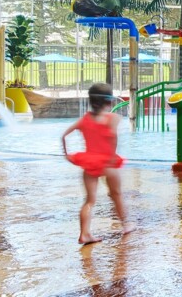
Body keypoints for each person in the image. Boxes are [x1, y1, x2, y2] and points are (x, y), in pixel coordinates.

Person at [61, 82, 134, 244]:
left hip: (90, 162)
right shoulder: (113, 118)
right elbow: (113, 137)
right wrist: (112, 155)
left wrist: (67, 155)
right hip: (108, 162)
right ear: (109, 102)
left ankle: (84, 234)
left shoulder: (84, 120)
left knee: (89, 200)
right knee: (116, 195)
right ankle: (126, 225)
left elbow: (64, 135)